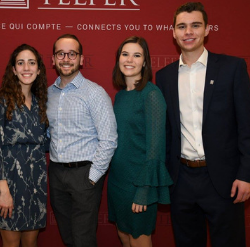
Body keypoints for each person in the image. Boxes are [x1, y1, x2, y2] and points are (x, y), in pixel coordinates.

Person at [156, 2, 250, 247]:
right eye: (182, 26)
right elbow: (167, 132)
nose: (188, 32)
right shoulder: (164, 77)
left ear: (207, 30)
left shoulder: (232, 68)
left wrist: (247, 175)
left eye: (195, 25)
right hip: (181, 180)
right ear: (173, 32)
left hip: (224, 180)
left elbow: (248, 127)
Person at [47, 34, 118, 247]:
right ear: (53, 59)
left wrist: (93, 177)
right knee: (68, 237)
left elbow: (109, 139)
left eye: (72, 54)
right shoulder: (48, 93)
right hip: (57, 173)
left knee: (83, 240)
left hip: (84, 175)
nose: (66, 58)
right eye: (61, 53)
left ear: (81, 59)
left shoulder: (94, 93)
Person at [107, 36, 172, 247]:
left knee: (139, 239)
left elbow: (156, 148)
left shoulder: (151, 95)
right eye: (125, 54)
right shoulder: (121, 96)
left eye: (137, 55)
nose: (129, 60)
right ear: (118, 59)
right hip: (118, 181)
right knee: (124, 237)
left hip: (139, 182)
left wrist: (144, 190)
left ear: (145, 62)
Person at [0, 44, 48, 247]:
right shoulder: (0, 101)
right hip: (9, 183)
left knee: (31, 243)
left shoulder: (40, 104)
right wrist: (4, 191)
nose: (26, 68)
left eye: (31, 63)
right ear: (13, 69)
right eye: (20, 63)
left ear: (39, 69)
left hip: (36, 182)